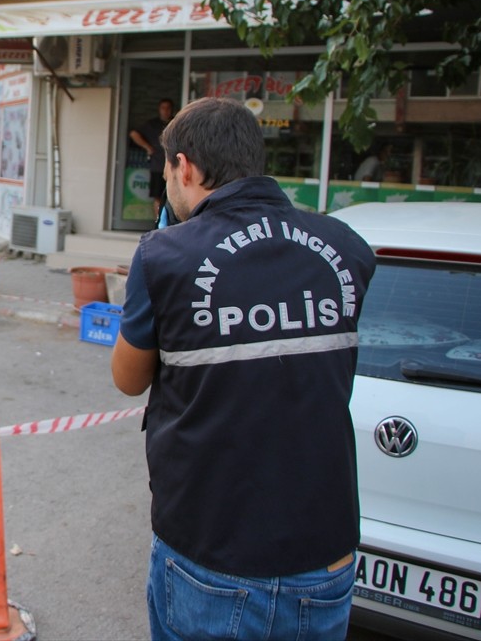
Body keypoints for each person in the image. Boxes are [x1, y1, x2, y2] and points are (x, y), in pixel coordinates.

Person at [111, 97, 377, 641]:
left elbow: (127, 377)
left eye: (167, 174)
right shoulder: (347, 247)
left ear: (185, 166)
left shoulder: (165, 255)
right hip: (324, 553)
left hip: (212, 551)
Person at [129, 98, 174, 219]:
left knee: (173, 197)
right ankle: (158, 223)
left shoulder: (175, 123)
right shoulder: (152, 124)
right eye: (163, 108)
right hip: (158, 166)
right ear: (159, 110)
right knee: (158, 197)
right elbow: (134, 134)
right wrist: (147, 147)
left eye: (168, 108)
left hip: (173, 167)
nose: (166, 111)